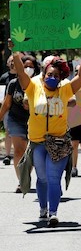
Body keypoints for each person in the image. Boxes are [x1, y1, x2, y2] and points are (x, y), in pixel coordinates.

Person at [13, 39, 81, 227]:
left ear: (61, 76)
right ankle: (43, 209)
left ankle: (54, 213)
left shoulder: (64, 89)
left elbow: (80, 78)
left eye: (56, 75)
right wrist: (15, 53)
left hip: (59, 142)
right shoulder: (32, 87)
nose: (52, 78)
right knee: (42, 178)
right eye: (49, 74)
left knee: (54, 177)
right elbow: (21, 73)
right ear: (43, 74)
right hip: (38, 142)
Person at [0, 54, 39, 192]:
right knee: (18, 151)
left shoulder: (38, 84)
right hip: (16, 119)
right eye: (25, 66)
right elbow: (6, 104)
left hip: (34, 122)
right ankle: (22, 181)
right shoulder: (12, 84)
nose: (27, 68)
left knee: (31, 153)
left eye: (31, 66)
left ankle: (26, 175)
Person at [1, 55, 17, 165]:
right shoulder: (3, 77)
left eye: (14, 60)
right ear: (7, 64)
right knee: (8, 132)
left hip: (20, 108)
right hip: (7, 108)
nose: (12, 63)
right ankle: (7, 155)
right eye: (10, 61)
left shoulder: (22, 76)